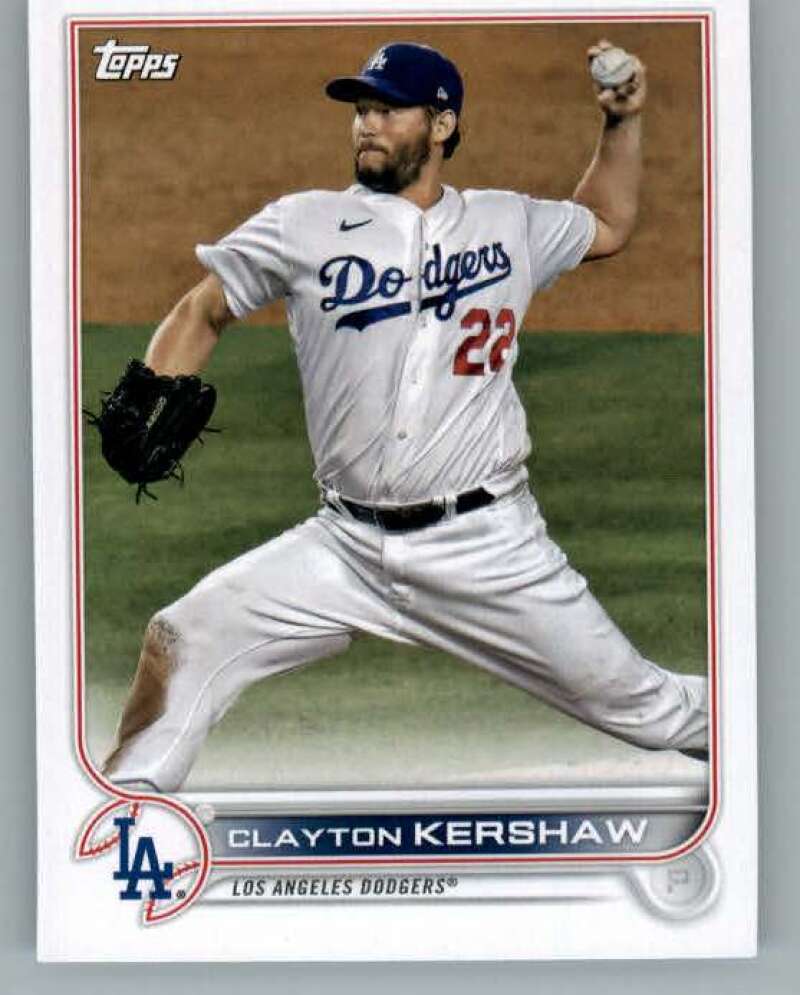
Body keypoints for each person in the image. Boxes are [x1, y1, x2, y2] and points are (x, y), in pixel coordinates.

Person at [101, 40, 708, 792]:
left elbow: (606, 222)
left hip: (488, 548)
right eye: (361, 110)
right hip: (345, 545)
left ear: (442, 125)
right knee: (182, 638)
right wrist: (154, 384)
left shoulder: (506, 223)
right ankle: (124, 818)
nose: (367, 124)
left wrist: (622, 121)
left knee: (649, 708)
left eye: (388, 110)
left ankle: (763, 733)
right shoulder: (304, 224)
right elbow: (204, 308)